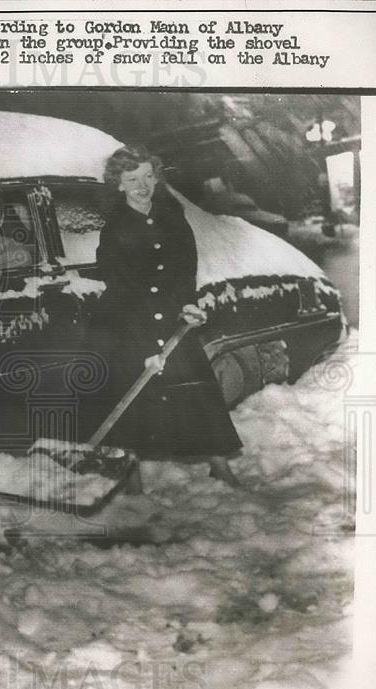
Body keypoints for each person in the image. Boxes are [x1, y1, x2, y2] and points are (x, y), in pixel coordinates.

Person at [86, 145, 241, 489]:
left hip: (173, 320)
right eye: (132, 179)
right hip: (130, 325)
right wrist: (145, 343)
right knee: (132, 404)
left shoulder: (173, 216)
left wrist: (187, 304)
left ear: (156, 178)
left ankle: (220, 464)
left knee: (197, 394)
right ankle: (132, 481)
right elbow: (122, 289)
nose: (142, 186)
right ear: (119, 184)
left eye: (147, 177)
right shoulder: (114, 229)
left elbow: (186, 268)